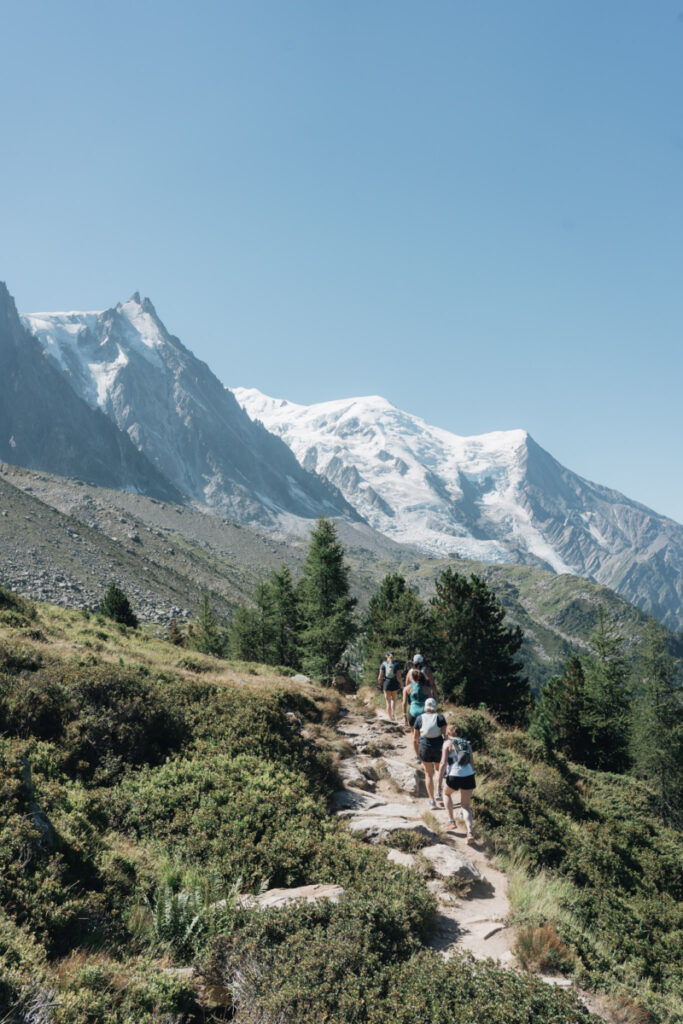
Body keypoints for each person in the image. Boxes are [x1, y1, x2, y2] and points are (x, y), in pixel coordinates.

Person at [437, 723, 476, 844]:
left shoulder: (447, 744)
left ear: (448, 733)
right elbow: (471, 762)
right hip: (468, 776)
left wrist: (438, 781)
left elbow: (443, 763)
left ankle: (451, 821)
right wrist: (472, 774)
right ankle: (469, 833)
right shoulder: (467, 743)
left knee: (446, 793)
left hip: (454, 775)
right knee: (465, 806)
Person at [413, 697, 447, 809]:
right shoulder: (440, 717)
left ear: (425, 707)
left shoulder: (419, 718)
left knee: (428, 774)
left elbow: (415, 738)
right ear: (434, 707)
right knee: (438, 770)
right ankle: (438, 792)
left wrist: (417, 753)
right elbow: (444, 736)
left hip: (424, 747)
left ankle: (432, 801)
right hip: (438, 747)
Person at [402, 662, 433, 761]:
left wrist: (404, 717)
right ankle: (426, 754)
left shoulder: (407, 688)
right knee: (425, 735)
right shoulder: (426, 688)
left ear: (412, 678)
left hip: (412, 713)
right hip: (424, 714)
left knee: (414, 735)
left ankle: (417, 756)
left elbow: (404, 703)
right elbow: (431, 702)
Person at [378, 650, 402, 721]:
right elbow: (399, 677)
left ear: (386, 656)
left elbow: (380, 677)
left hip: (387, 682)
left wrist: (381, 683)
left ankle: (390, 718)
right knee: (393, 700)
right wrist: (402, 685)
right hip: (394, 682)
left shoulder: (383, 664)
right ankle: (393, 715)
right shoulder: (396, 665)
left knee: (388, 701)